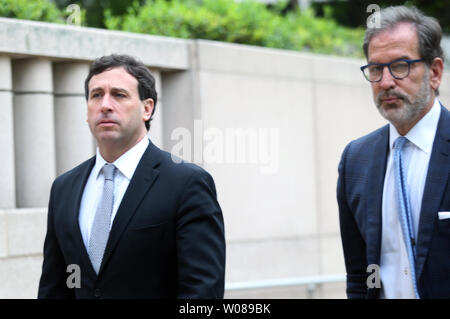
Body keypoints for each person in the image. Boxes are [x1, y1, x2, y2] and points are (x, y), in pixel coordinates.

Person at [38, 54, 226, 298]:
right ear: (87, 111)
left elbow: (202, 293)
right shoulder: (64, 188)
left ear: (147, 109)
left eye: (119, 94)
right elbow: (55, 287)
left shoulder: (186, 183)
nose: (105, 105)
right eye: (96, 95)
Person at [337, 6, 449, 299]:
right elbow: (360, 275)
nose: (386, 82)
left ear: (434, 72)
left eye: (400, 65)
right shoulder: (355, 160)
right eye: (376, 69)